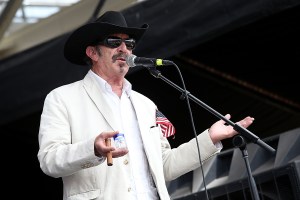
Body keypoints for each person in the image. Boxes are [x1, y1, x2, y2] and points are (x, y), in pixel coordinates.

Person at [37, 11, 254, 200]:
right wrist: (92, 148)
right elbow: (49, 161)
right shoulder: (62, 98)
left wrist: (210, 137)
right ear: (92, 52)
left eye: (129, 44)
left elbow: (165, 166)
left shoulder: (144, 104)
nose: (124, 49)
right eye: (114, 42)